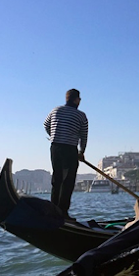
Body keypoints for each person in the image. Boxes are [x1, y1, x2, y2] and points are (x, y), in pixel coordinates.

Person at [44, 88, 89, 219]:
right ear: (76, 100)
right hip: (70, 149)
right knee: (68, 181)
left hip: (55, 147)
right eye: (79, 99)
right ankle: (62, 212)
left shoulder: (55, 110)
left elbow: (46, 125)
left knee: (57, 179)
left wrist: (53, 135)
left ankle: (53, 210)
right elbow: (84, 137)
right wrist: (82, 152)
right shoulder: (81, 116)